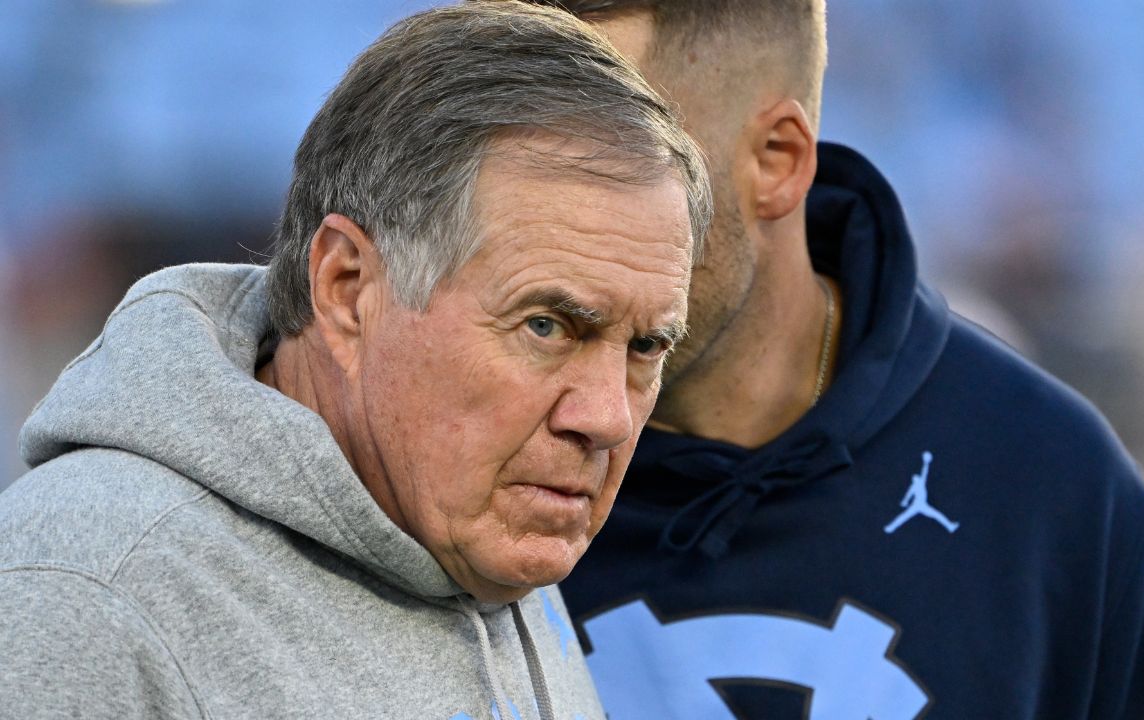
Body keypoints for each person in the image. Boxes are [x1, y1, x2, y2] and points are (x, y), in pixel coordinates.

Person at [0, 3, 710, 719]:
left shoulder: (481, 518)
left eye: (646, 346)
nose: (607, 418)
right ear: (347, 290)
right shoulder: (85, 597)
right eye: (547, 326)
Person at [510, 1, 1144, 718]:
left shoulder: (1046, 482)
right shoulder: (459, 460)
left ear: (777, 161)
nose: (556, 237)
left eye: (616, 165)